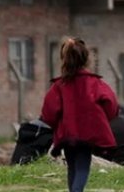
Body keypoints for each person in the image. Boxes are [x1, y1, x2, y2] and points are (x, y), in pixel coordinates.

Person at [41, 37, 118, 192]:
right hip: (87, 134)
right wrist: (101, 120)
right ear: (86, 59)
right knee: (83, 167)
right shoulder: (95, 83)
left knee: (72, 167)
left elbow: (49, 112)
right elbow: (111, 104)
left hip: (67, 135)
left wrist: (58, 124)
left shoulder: (59, 85)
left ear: (64, 59)